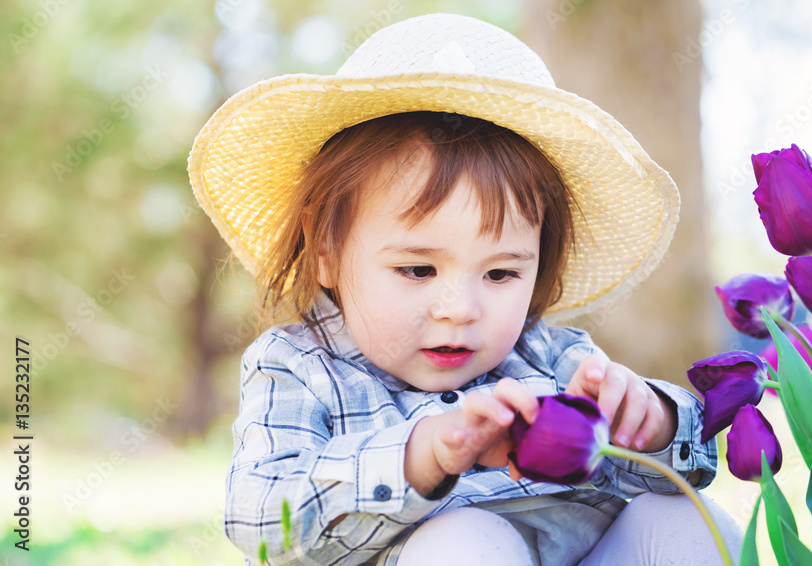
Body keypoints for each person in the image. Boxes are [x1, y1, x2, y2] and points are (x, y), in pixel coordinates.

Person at [189, 12, 742, 566]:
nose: (460, 310)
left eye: (500, 274)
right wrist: (420, 456)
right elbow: (260, 519)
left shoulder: (552, 357)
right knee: (465, 542)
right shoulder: (298, 366)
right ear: (328, 248)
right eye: (418, 270)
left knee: (684, 518)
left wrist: (653, 424)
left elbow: (689, 465)